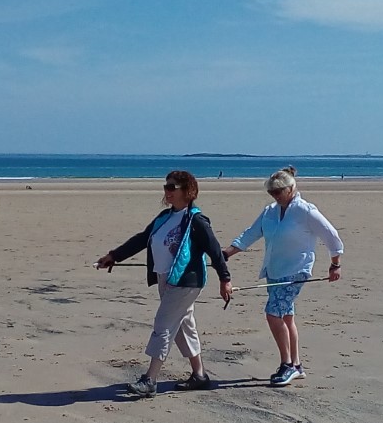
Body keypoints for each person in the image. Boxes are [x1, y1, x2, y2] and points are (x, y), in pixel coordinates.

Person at [97, 171, 232, 398]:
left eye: (172, 187)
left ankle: (150, 380)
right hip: (165, 279)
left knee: (163, 324)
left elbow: (215, 252)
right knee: (183, 325)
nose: (167, 191)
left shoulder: (197, 221)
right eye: (165, 186)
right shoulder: (164, 217)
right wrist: (114, 256)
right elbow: (142, 239)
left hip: (186, 281)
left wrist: (225, 280)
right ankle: (200, 375)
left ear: (187, 191)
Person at [222, 166, 344, 387]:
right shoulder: (269, 211)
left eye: (278, 191)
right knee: (286, 316)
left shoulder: (305, 211)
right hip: (274, 270)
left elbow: (332, 236)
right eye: (271, 192)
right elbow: (251, 233)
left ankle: (286, 365)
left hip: (296, 270)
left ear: (291, 189)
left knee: (273, 313)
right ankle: (296, 364)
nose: (275, 196)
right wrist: (226, 254)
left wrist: (335, 265)